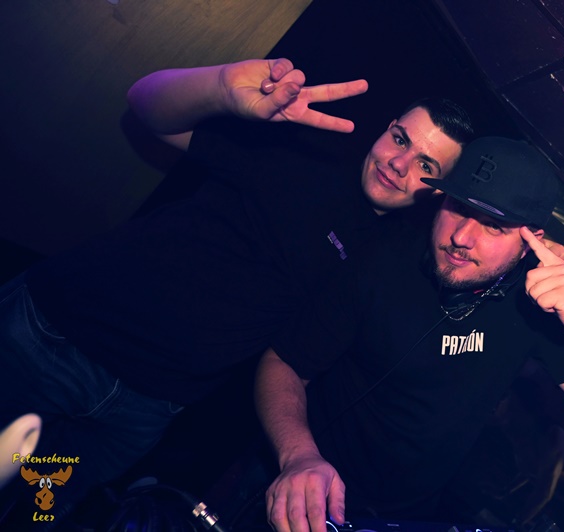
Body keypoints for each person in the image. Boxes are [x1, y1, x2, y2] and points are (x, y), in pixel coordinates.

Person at [0, 57, 474, 515]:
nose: (399, 164)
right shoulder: (306, 151)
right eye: (399, 139)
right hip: (55, 342)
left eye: (426, 166)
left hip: (142, 410)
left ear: (440, 192)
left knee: (31, 513)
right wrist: (221, 86)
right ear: (387, 128)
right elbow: (143, 105)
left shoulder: (390, 257)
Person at [256, 136, 564, 531]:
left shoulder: (537, 302)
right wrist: (298, 455)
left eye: (493, 226)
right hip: (306, 490)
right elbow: (282, 363)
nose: (461, 238)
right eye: (459, 208)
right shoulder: (382, 257)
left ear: (530, 242)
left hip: (408, 517)